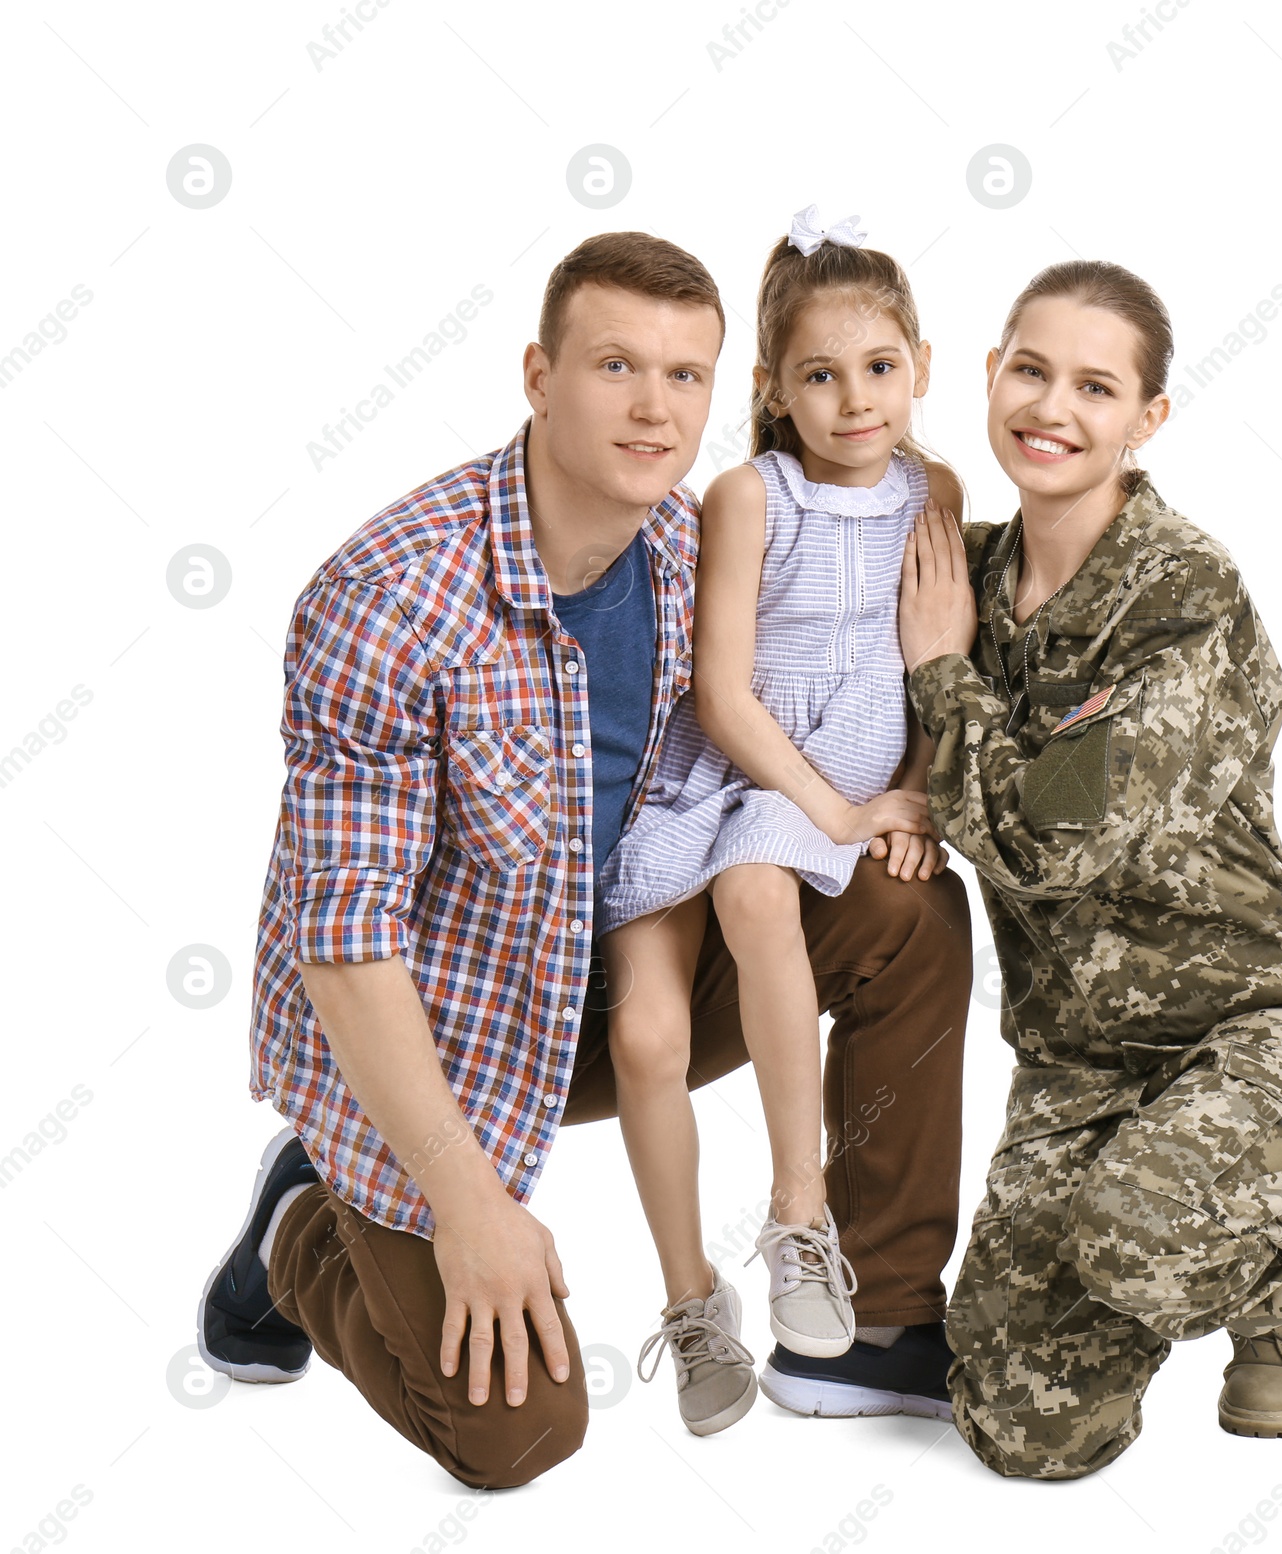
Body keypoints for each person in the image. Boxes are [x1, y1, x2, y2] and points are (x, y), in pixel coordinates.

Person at [195, 229, 971, 1491]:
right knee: (514, 1434)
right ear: (538, 376)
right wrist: (467, 1203)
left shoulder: (690, 544)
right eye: (616, 366)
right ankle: (300, 1225)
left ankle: (868, 1321)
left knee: (905, 903)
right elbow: (343, 944)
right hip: (443, 1039)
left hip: (612, 978)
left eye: (684, 375)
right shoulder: (388, 596)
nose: (654, 408)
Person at [897, 259, 1282, 1478]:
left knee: (1138, 1234)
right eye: (1029, 369)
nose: (1051, 407)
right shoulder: (964, 570)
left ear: (1145, 419)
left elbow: (1054, 838)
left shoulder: (1181, 591)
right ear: (991, 373)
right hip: (1080, 1061)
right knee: (1020, 1433)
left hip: (1255, 1025)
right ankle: (1177, 1218)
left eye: (1094, 386)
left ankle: (1272, 1259)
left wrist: (942, 681)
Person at [595, 208, 964, 1436]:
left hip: (846, 795)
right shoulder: (754, 496)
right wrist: (838, 808)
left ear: (919, 363)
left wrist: (910, 795)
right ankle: (692, 1299)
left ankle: (800, 1215)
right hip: (739, 779)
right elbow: (722, 692)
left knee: (769, 898)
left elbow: (935, 655)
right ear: (771, 389)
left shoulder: (936, 490)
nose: (854, 400)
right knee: (646, 1037)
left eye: (878, 368)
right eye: (818, 374)